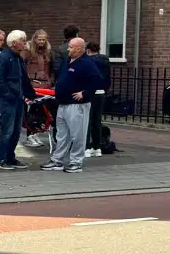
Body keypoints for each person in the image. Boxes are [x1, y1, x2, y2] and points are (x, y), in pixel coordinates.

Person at [42, 38, 100, 173]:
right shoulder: (68, 61)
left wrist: (85, 94)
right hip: (63, 103)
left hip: (77, 105)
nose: (68, 49)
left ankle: (76, 162)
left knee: (77, 134)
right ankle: (58, 160)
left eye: (71, 47)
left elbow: (97, 80)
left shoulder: (87, 63)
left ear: (79, 49)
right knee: (62, 135)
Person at [0, 30, 36, 170]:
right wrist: (7, 94)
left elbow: (23, 78)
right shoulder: (3, 58)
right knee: (7, 130)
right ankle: (2, 158)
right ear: (14, 42)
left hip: (18, 98)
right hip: (9, 99)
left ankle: (11, 157)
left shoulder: (18, 58)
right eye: (22, 40)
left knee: (16, 130)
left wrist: (30, 93)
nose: (25, 42)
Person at [21, 29, 53, 147]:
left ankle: (36, 134)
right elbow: (23, 65)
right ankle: (30, 135)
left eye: (44, 39)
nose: (41, 42)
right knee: (32, 110)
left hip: (45, 83)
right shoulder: (28, 50)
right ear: (34, 39)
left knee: (42, 111)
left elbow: (49, 67)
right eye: (39, 39)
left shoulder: (48, 50)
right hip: (32, 83)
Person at [85, 42, 111, 157]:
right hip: (101, 92)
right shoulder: (106, 61)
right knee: (97, 121)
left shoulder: (88, 61)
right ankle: (97, 147)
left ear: (88, 50)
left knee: (87, 121)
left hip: (90, 93)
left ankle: (86, 148)